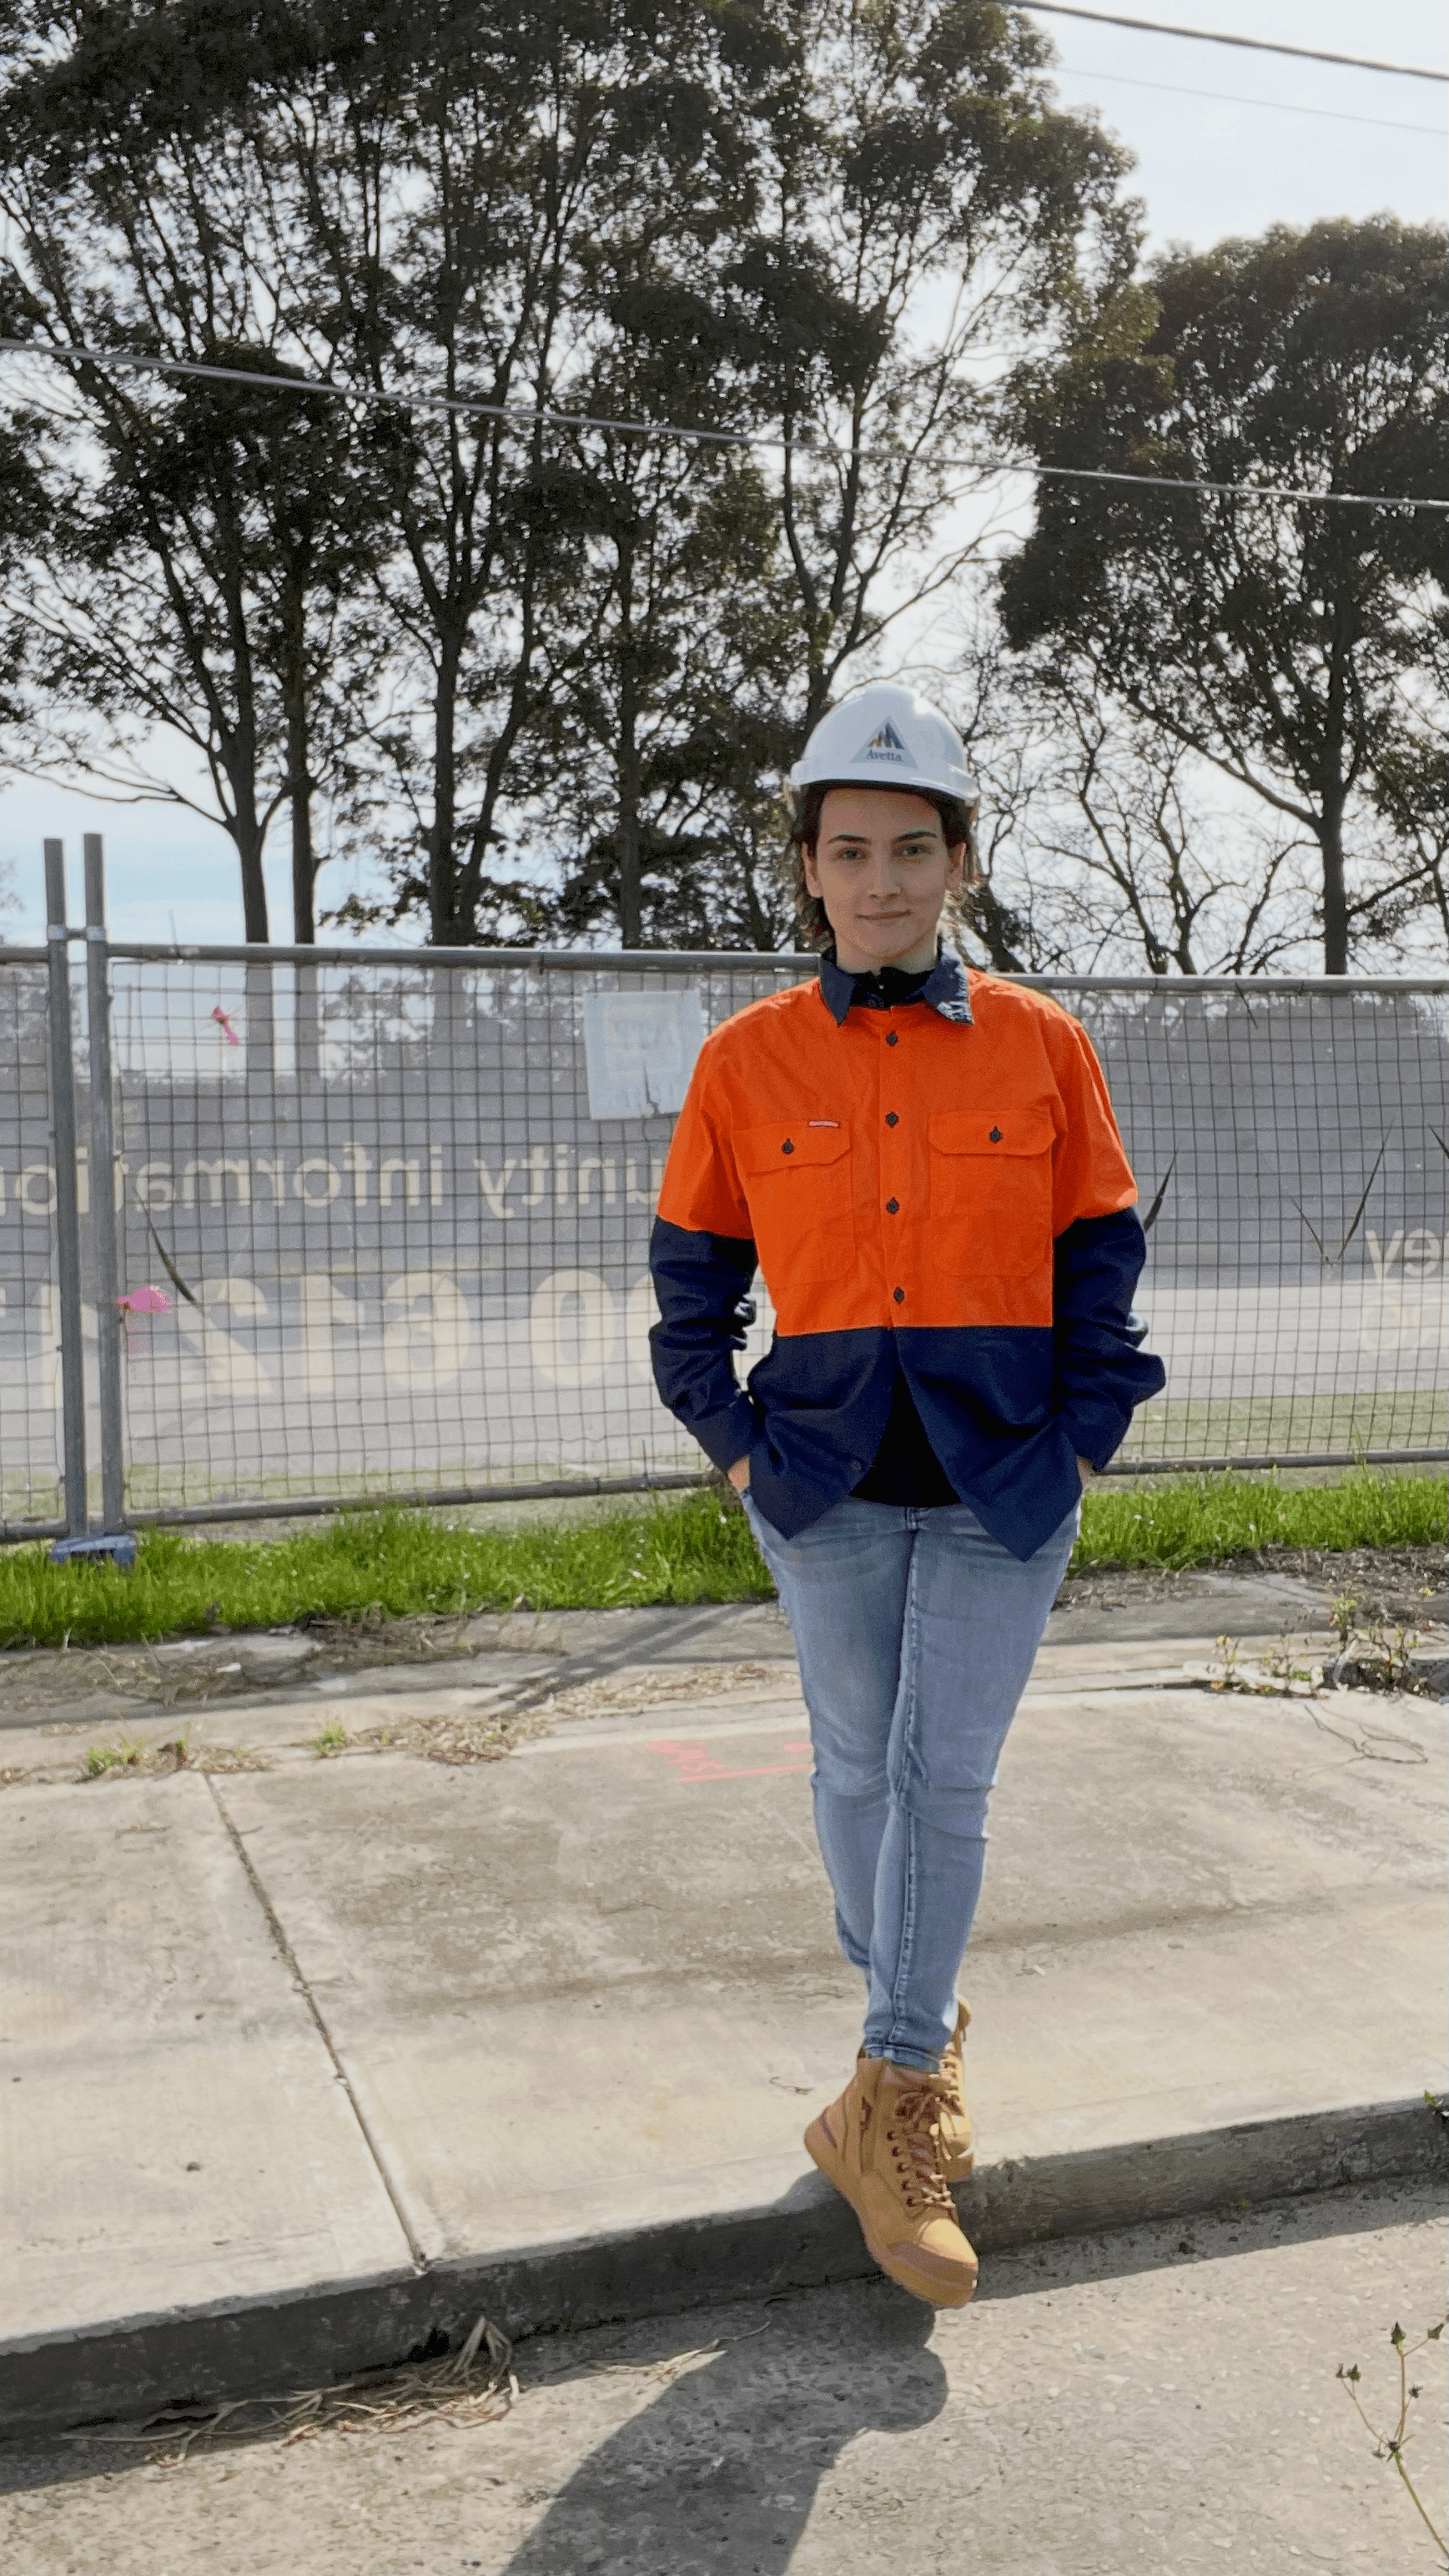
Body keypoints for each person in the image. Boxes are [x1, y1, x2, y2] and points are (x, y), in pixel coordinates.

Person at [648, 682, 1165, 2308]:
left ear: (958, 863)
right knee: (855, 1775)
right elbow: (686, 1299)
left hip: (1007, 1481)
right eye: (848, 849)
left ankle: (893, 2105)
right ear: (807, 868)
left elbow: (1102, 1271)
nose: (879, 878)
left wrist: (1085, 1439)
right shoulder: (743, 1063)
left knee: (940, 1781)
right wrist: (737, 1450)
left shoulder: (1042, 1045)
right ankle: (907, 2060)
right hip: (821, 1487)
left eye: (912, 848)